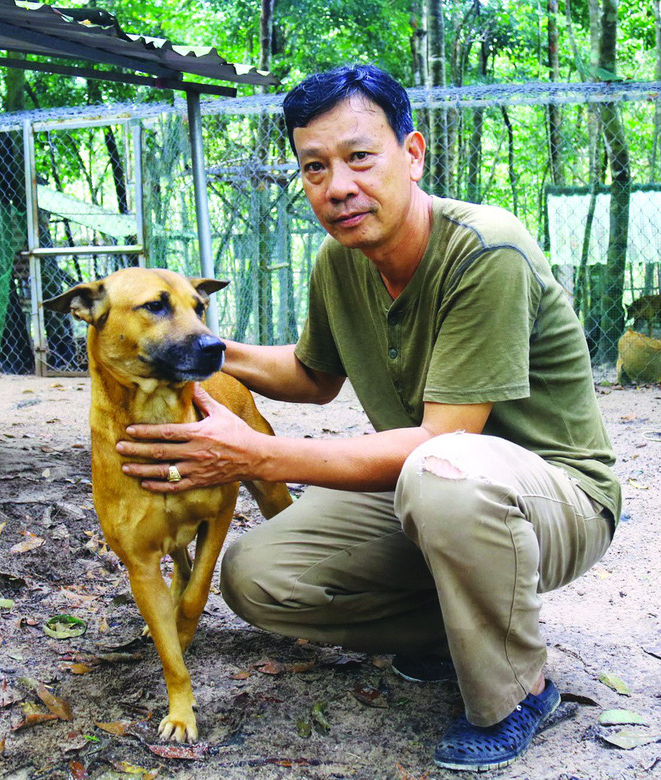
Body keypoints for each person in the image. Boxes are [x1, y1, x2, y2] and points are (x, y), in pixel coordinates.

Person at [116, 64, 621, 772]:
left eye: (359, 157)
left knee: (443, 474)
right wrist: (201, 347)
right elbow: (314, 377)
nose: (338, 186)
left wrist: (256, 456)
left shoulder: (486, 249)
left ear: (411, 154)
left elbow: (444, 441)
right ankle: (461, 629)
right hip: (432, 490)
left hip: (555, 497)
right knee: (257, 575)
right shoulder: (340, 258)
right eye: (314, 167)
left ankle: (518, 689)